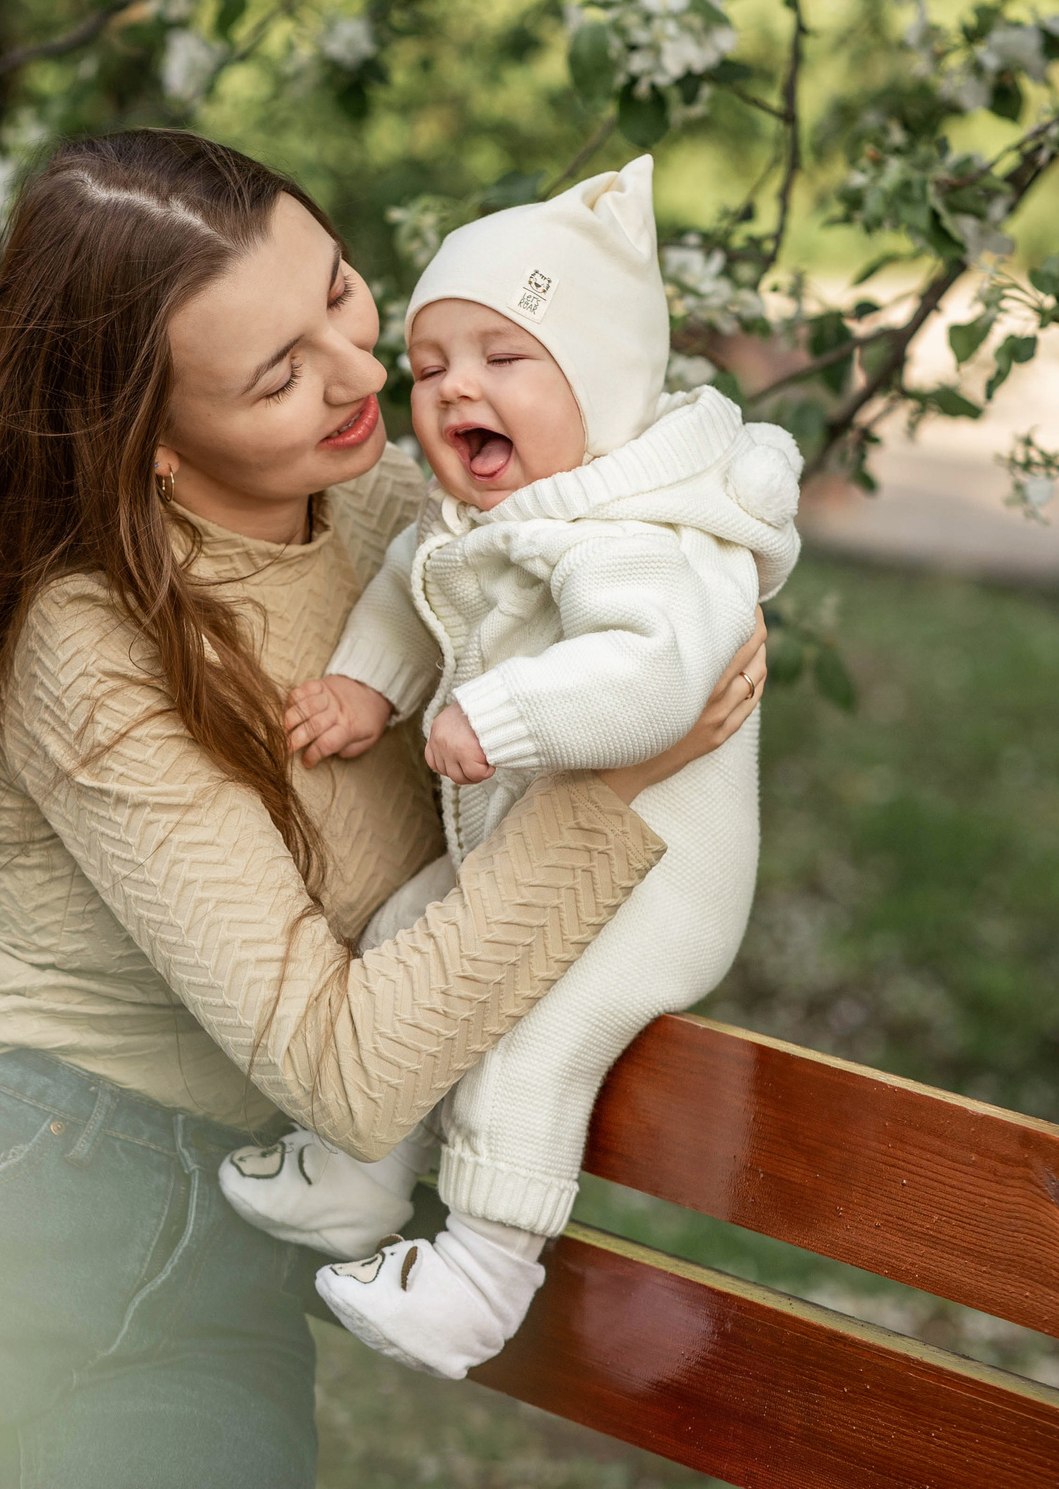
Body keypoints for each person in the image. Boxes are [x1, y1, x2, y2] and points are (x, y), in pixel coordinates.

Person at [0, 128, 768, 1487]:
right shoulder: (90, 639)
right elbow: (347, 1070)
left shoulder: (411, 519)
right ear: (150, 442)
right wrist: (619, 782)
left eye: (343, 294)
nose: (362, 376)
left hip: (226, 1251)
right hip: (6, 1182)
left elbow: (632, 538)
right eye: (279, 374)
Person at [215, 155, 801, 1378]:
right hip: (538, 857)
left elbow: (659, 675)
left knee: (537, 1043)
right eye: (431, 367)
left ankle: (480, 1281)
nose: (451, 390)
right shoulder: (493, 517)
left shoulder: (645, 539)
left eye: (501, 359)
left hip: (653, 884)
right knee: (402, 934)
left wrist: (509, 717)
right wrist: (367, 689)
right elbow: (409, 586)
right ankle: (358, 1177)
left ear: (602, 384)